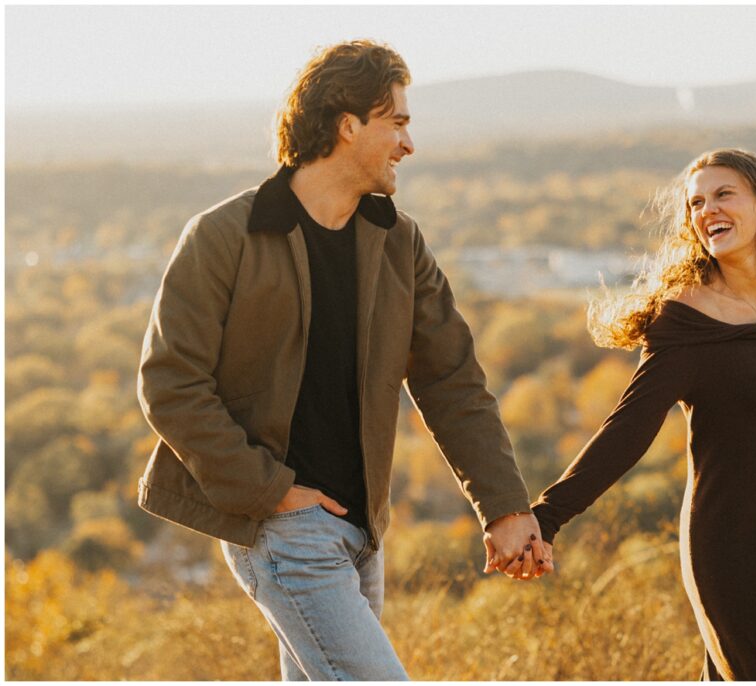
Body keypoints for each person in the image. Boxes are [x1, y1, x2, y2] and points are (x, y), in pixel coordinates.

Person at [136, 40, 547, 681]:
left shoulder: (398, 241)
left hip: (362, 536)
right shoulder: (223, 236)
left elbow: (450, 380)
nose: (409, 144)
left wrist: (505, 507)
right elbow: (170, 384)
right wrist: (271, 492)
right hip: (282, 528)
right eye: (399, 123)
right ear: (346, 123)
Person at [529, 148, 756, 680]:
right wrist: (545, 518)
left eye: (723, 194)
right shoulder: (686, 320)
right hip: (731, 552)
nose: (706, 209)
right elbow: (626, 432)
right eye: (695, 203)